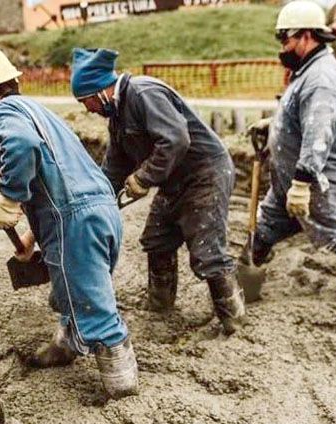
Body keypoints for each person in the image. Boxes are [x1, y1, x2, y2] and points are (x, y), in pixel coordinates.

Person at [0, 46, 138, 398]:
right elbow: (52, 180)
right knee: (73, 290)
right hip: (98, 211)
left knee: (92, 305)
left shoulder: (1, 113)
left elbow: (22, 146)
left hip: (76, 221)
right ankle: (65, 346)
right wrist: (29, 237)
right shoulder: (37, 110)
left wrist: (10, 197)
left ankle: (123, 388)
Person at [70, 48, 245, 334]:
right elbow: (114, 167)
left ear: (100, 91)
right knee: (157, 240)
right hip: (174, 180)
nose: (86, 109)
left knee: (207, 250)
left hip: (204, 173)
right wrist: (94, 200)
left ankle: (234, 322)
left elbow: (175, 139)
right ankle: (160, 306)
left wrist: (144, 176)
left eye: (85, 101)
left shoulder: (143, 93)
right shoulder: (118, 117)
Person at [245, 0, 336, 296]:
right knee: (264, 229)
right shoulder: (308, 68)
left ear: (306, 36)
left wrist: (302, 184)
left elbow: (318, 133)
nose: (282, 47)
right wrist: (274, 123)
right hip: (289, 179)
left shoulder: (321, 78)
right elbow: (304, 114)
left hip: (319, 182)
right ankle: (246, 280)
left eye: (286, 39)